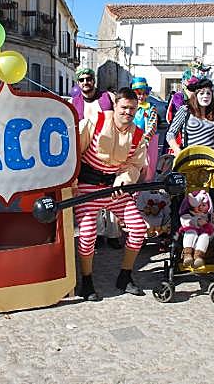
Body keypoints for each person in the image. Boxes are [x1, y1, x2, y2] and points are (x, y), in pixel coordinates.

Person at [74, 87, 148, 301]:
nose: (128, 112)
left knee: (138, 228)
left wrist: (123, 180)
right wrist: (73, 182)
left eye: (132, 109)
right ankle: (86, 280)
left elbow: (135, 165)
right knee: (87, 233)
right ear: (115, 106)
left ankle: (125, 276)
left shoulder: (138, 135)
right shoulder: (95, 122)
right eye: (124, 107)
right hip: (88, 186)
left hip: (115, 188)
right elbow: (75, 151)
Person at [72, 68, 121, 248]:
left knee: (113, 194)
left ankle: (113, 234)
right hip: (87, 156)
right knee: (92, 196)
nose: (86, 82)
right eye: (82, 80)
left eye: (89, 79)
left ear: (94, 81)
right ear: (78, 83)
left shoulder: (108, 97)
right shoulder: (74, 102)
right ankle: (98, 233)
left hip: (110, 153)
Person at [166, 78, 214, 156]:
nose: (205, 96)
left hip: (210, 158)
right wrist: (178, 151)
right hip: (189, 157)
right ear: (196, 95)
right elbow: (170, 134)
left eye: (208, 93)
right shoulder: (185, 110)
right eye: (201, 93)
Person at [178, 190, 214, 269]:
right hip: (191, 233)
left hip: (205, 234)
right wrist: (196, 221)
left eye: (203, 205)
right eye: (198, 206)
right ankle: (187, 255)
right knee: (191, 233)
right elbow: (184, 221)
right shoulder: (188, 214)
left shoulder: (209, 216)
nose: (200, 207)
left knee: (204, 236)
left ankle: (198, 257)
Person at [131, 77, 158, 181]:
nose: (141, 96)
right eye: (138, 93)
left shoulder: (151, 107)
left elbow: (152, 125)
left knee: (146, 168)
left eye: (144, 93)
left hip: (146, 142)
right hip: (130, 142)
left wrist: (144, 140)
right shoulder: (130, 107)